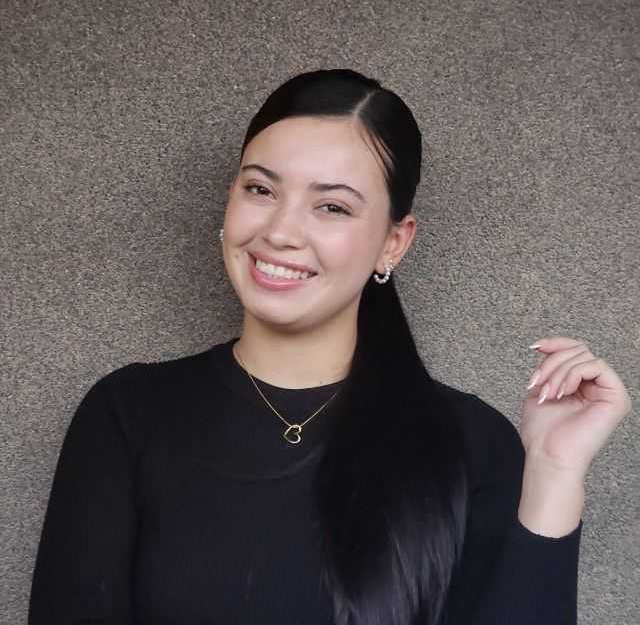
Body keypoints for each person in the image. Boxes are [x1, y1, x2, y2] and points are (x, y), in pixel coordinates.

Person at [28, 69, 632, 625]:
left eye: (332, 206)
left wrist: (553, 475)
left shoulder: (471, 442)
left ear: (394, 243)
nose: (281, 232)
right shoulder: (129, 413)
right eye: (260, 190)